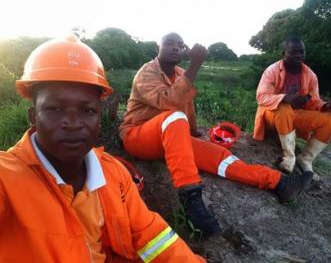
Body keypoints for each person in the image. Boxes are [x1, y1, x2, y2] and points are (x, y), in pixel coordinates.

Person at [0, 35, 205, 263]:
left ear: (99, 117)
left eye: (88, 111)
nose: (73, 122)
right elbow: (171, 103)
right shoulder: (7, 178)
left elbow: (152, 237)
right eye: (55, 109)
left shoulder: (114, 174)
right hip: (140, 137)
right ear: (33, 118)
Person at [119, 32, 314, 237]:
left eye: (180, 44)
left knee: (220, 155)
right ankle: (191, 199)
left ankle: (280, 183)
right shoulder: (146, 72)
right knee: (174, 116)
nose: (175, 47)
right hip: (137, 136)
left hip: (169, 137)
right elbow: (169, 103)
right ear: (156, 49)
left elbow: (187, 107)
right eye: (169, 43)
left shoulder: (180, 73)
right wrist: (195, 65)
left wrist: (193, 133)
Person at [253, 36, 331, 179]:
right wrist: (285, 97)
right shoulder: (272, 71)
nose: (298, 55)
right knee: (284, 108)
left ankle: (305, 159)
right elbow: (261, 97)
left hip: (294, 116)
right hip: (271, 115)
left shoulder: (310, 75)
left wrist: (325, 106)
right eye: (293, 52)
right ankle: (288, 159)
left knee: (329, 120)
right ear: (283, 54)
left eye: (301, 52)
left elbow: (313, 100)